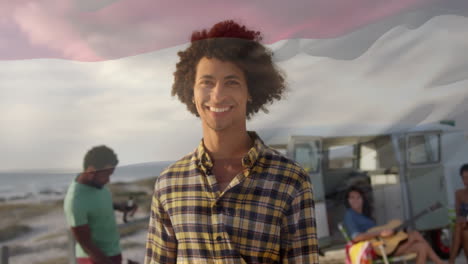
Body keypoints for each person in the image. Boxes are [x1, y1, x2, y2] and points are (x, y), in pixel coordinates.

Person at [145, 20, 319, 263]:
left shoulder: (290, 180)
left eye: (232, 82)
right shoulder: (169, 184)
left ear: (250, 91)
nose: (217, 94)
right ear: (191, 91)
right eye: (206, 82)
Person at [64, 145, 134, 264]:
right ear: (91, 171)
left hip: (113, 253)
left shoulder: (97, 184)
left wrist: (120, 207)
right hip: (94, 260)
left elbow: (96, 204)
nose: (108, 180)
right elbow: (86, 245)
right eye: (106, 175)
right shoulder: (75, 200)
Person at [343, 186, 446, 264]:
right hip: (376, 250)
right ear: (348, 200)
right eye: (352, 198)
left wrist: (387, 231)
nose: (355, 200)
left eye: (358, 197)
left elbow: (376, 231)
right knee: (414, 234)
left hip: (384, 245)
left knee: (422, 247)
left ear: (363, 199)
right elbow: (356, 237)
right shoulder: (350, 215)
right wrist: (381, 232)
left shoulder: (364, 215)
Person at [449, 163, 468, 264]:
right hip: (463, 225)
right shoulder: (459, 193)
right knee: (463, 232)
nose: (466, 181)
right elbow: (458, 214)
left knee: (459, 228)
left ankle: (451, 261)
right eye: (464, 178)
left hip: (463, 224)